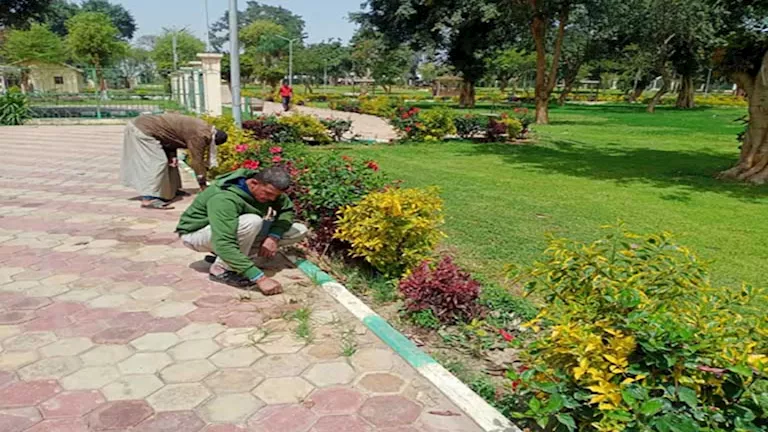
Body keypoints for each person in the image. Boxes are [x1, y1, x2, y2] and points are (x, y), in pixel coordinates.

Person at [176, 167, 308, 295]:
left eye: (276, 196)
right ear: (254, 183)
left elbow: (286, 210)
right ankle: (221, 269)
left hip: (229, 229)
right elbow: (224, 242)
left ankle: (233, 258)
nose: (272, 199)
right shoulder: (224, 197)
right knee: (252, 222)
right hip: (196, 235)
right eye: (268, 194)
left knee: (298, 230)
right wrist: (260, 278)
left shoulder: (268, 187)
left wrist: (273, 237)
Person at [120, 113, 228, 209]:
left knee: (172, 163)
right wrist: (203, 184)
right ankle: (149, 198)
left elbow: (171, 137)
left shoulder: (205, 128)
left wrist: (172, 155)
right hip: (143, 129)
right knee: (158, 162)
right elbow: (196, 161)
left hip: (151, 129)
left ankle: (171, 191)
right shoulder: (201, 135)